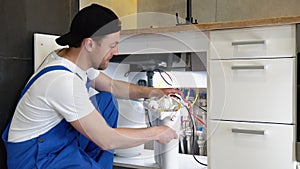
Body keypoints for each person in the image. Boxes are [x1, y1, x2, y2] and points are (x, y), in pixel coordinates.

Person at [2, 4, 182, 169]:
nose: (116, 52)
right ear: (89, 44)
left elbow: (112, 86)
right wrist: (157, 132)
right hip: (34, 157)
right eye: (112, 45)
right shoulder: (62, 81)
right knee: (104, 135)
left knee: (106, 99)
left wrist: (154, 92)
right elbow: (107, 139)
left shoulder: (73, 58)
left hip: (56, 141)